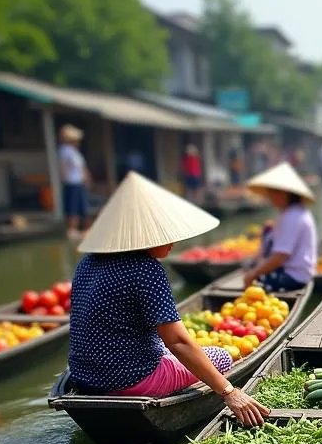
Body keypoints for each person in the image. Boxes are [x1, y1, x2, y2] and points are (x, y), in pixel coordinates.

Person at [67, 172, 268, 424]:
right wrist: (229, 391)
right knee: (221, 355)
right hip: (130, 379)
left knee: (163, 348)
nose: (173, 242)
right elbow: (179, 342)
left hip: (84, 375)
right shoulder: (145, 269)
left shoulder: (87, 262)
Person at [242, 162, 317, 292]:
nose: (271, 198)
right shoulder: (296, 212)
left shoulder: (292, 216)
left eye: (273, 193)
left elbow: (280, 256)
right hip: (298, 273)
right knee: (252, 270)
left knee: (253, 285)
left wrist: (253, 274)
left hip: (294, 277)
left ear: (285, 193)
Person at [59, 124, 90, 238]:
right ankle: (72, 229)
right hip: (72, 182)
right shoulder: (65, 150)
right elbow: (64, 167)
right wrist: (64, 179)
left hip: (79, 182)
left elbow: (82, 167)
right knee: (73, 206)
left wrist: (86, 178)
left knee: (82, 206)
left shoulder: (75, 152)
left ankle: (82, 228)